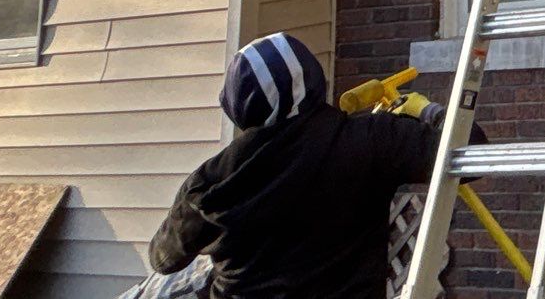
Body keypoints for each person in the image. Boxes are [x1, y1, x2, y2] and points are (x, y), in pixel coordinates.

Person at [145, 33, 443, 299]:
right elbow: (469, 155)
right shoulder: (372, 139)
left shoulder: (210, 181)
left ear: (238, 107)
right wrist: (423, 109)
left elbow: (163, 260)